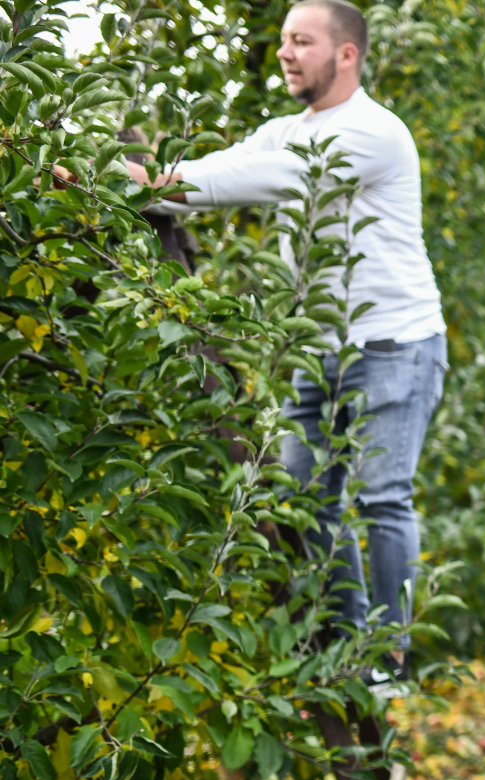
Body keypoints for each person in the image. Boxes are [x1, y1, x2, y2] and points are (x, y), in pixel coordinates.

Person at [138, 0, 447, 682]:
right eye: (282, 40)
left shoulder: (373, 133)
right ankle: (343, 643)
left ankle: (389, 657)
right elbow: (225, 164)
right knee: (304, 499)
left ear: (346, 55)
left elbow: (254, 180)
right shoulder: (285, 129)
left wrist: (149, 183)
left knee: (383, 498)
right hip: (318, 348)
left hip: (395, 343)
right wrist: (126, 183)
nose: (284, 53)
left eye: (301, 41)